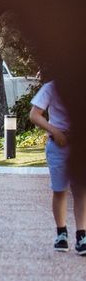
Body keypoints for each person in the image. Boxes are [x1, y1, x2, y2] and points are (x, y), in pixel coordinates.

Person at [29, 78, 85, 254]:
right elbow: (34, 114)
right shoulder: (52, 87)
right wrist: (54, 131)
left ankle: (81, 235)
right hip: (58, 144)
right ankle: (61, 233)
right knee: (59, 189)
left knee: (80, 191)